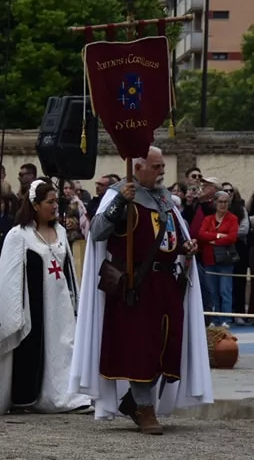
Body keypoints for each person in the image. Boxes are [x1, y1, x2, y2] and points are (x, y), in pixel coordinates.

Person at [69, 147, 213, 435]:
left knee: (165, 348)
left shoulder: (166, 200)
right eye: (156, 166)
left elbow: (171, 237)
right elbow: (97, 232)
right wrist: (120, 202)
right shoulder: (119, 194)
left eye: (162, 165)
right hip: (135, 286)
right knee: (140, 350)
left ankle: (134, 401)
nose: (162, 171)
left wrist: (186, 248)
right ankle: (144, 407)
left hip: (166, 285)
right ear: (138, 169)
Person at [0, 179, 91, 415]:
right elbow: (9, 278)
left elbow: (68, 272)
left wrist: (75, 300)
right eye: (50, 202)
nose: (55, 206)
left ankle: (67, 396)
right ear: (35, 205)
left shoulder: (61, 231)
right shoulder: (19, 235)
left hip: (60, 304)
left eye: (56, 202)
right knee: (32, 349)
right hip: (32, 306)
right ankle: (27, 398)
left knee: (64, 346)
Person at [197, 190, 239, 328]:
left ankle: (226, 319)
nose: (223, 204)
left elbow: (232, 237)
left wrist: (214, 238)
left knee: (225, 291)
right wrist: (220, 236)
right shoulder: (208, 219)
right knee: (212, 291)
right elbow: (202, 235)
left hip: (225, 260)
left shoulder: (232, 218)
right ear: (215, 203)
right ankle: (215, 319)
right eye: (220, 201)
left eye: (225, 202)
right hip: (209, 260)